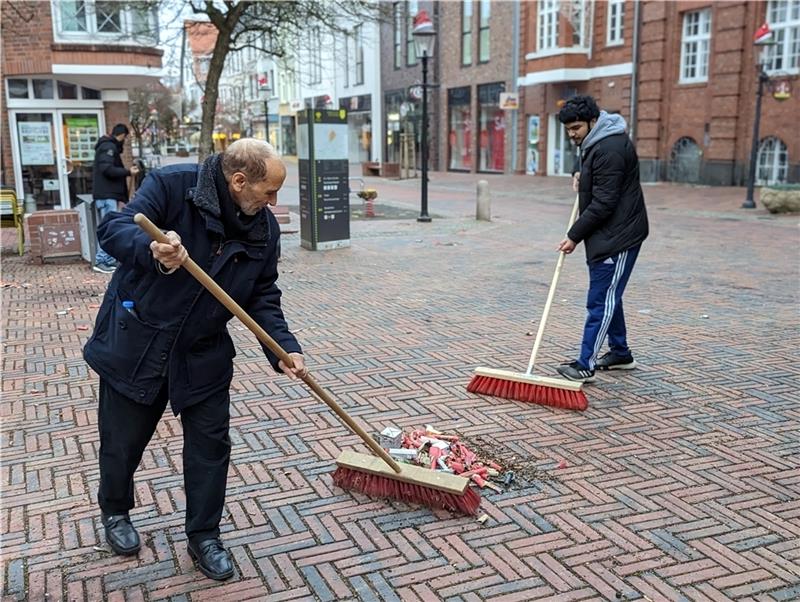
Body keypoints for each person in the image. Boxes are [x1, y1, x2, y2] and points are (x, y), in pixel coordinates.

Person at [83, 139, 307, 581]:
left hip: (202, 351)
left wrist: (283, 346)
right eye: (269, 192)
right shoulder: (172, 185)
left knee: (210, 449)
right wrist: (153, 250)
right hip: (139, 342)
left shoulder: (264, 228)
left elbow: (262, 293)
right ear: (239, 181)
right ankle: (115, 511)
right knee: (122, 442)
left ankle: (204, 535)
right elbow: (115, 228)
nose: (274, 202)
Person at [554, 95, 649, 383]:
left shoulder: (610, 147)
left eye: (577, 128)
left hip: (618, 235)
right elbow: (596, 174)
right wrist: (579, 174)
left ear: (593, 121)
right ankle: (620, 353)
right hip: (605, 234)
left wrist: (573, 236)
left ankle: (586, 363)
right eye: (568, 129)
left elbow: (604, 202)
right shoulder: (597, 141)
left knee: (601, 300)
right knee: (609, 295)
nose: (572, 135)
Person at [91, 123, 139, 273]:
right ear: (122, 136)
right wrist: (127, 172)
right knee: (108, 228)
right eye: (125, 138)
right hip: (107, 195)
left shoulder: (106, 146)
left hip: (108, 195)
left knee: (110, 226)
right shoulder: (108, 148)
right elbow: (107, 169)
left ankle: (108, 259)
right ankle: (100, 260)